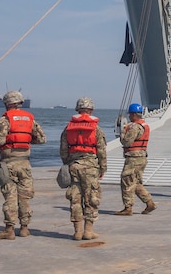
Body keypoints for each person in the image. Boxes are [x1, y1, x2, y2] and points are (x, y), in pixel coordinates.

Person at [0, 90, 47, 239]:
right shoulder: (30, 119)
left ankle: (9, 229)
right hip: (25, 164)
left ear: (7, 104)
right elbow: (41, 139)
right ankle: (24, 228)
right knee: (25, 197)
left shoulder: (4, 120)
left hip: (8, 163)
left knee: (10, 196)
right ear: (20, 103)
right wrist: (26, 140)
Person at [60, 97, 108, 240]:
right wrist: (102, 169)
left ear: (77, 109)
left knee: (75, 198)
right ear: (91, 110)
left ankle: (77, 232)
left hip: (74, 166)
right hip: (91, 167)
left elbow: (63, 150)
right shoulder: (96, 128)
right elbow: (101, 151)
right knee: (91, 197)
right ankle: (88, 231)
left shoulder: (68, 128)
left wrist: (68, 163)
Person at [114, 103, 156, 215]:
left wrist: (122, 132)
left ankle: (128, 208)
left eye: (130, 115)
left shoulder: (134, 127)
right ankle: (149, 202)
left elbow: (126, 141)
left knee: (127, 181)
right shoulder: (145, 125)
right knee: (136, 182)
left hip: (133, 158)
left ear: (133, 115)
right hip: (142, 157)